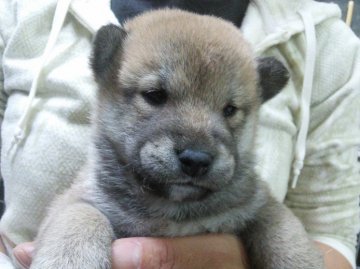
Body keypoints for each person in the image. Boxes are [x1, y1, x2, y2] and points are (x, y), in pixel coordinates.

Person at [0, 0, 359, 268]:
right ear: (106, 64)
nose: (198, 151)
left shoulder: (329, 45)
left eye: (229, 110)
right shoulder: (20, 9)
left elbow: (326, 231)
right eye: (155, 95)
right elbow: (80, 204)